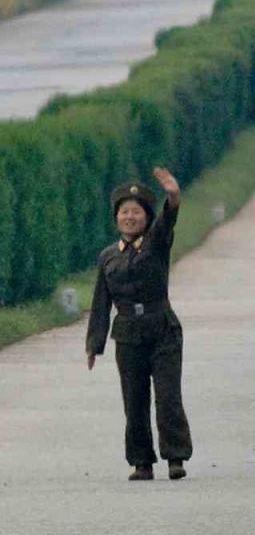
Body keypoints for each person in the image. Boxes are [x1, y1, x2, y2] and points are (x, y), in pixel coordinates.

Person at [86, 168, 193, 481]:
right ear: (116, 218)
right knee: (133, 399)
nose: (129, 217)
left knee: (168, 395)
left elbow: (168, 219)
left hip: (162, 329)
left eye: (135, 212)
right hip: (129, 333)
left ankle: (175, 457)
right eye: (124, 212)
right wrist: (95, 344)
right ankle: (141, 462)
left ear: (146, 217)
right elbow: (101, 302)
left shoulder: (157, 243)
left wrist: (173, 196)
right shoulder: (108, 257)